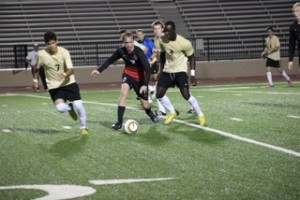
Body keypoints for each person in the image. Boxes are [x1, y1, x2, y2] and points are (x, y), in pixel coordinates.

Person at [91, 31, 158, 130]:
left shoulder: (138, 52)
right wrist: (99, 70)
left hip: (140, 78)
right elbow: (110, 60)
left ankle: (150, 113)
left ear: (133, 41)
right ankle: (119, 122)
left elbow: (148, 68)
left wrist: (144, 84)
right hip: (128, 75)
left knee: (145, 104)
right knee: (123, 94)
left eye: (130, 42)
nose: (128, 44)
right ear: (124, 43)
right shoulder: (121, 51)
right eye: (126, 42)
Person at [32, 31, 88, 135]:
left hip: (69, 83)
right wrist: (35, 81)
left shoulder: (64, 52)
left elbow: (71, 70)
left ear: (57, 41)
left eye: (53, 42)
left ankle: (83, 127)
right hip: (54, 87)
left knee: (79, 106)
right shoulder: (41, 55)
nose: (51, 46)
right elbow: (36, 68)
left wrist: (65, 74)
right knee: (60, 108)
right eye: (49, 44)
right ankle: (69, 108)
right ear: (46, 44)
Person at [155, 21, 206, 126]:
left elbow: (192, 57)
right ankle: (173, 112)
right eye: (165, 31)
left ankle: (201, 115)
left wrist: (192, 75)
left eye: (168, 32)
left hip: (180, 71)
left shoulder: (184, 42)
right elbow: (163, 55)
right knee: (159, 94)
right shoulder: (162, 39)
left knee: (186, 95)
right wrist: (161, 70)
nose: (166, 34)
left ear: (174, 30)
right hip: (167, 70)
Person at [151, 20, 196, 115]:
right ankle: (163, 110)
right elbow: (162, 55)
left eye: (158, 28)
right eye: (155, 29)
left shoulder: (167, 38)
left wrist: (154, 59)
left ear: (162, 29)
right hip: (168, 68)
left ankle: (193, 107)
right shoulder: (156, 40)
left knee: (184, 90)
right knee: (158, 89)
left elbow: (167, 53)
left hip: (177, 67)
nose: (156, 30)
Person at [136, 28, 166, 116]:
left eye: (140, 34)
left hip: (151, 62)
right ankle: (149, 93)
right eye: (138, 35)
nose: (139, 36)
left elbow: (155, 51)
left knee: (155, 78)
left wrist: (151, 60)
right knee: (145, 79)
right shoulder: (138, 43)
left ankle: (152, 89)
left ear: (143, 34)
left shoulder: (148, 41)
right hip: (144, 64)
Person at [288, 2, 300, 73]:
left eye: (297, 11)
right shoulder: (293, 27)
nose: (295, 13)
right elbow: (292, 44)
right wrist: (290, 60)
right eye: (294, 11)